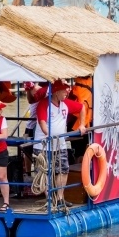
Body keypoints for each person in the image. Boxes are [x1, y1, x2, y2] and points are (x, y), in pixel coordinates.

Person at [35, 80, 88, 209]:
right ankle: (50, 199)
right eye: (64, 90)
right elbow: (42, 122)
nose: (67, 92)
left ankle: (59, 198)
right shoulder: (44, 104)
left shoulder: (65, 104)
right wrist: (48, 133)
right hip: (44, 144)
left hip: (61, 143)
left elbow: (82, 108)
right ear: (56, 91)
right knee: (46, 172)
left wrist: (81, 124)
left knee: (63, 170)